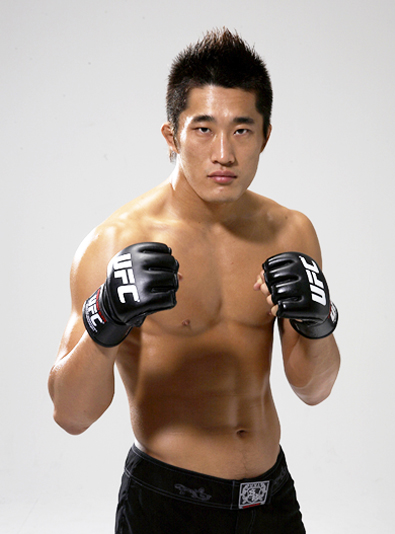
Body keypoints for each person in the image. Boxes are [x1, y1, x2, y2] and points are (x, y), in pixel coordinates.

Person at [48, 28, 340, 534]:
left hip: (271, 502)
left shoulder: (291, 232)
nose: (223, 153)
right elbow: (71, 416)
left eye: (242, 130)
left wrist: (318, 322)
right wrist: (106, 317)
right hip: (167, 507)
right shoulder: (114, 242)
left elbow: (314, 389)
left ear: (266, 136)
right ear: (172, 136)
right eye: (203, 129)